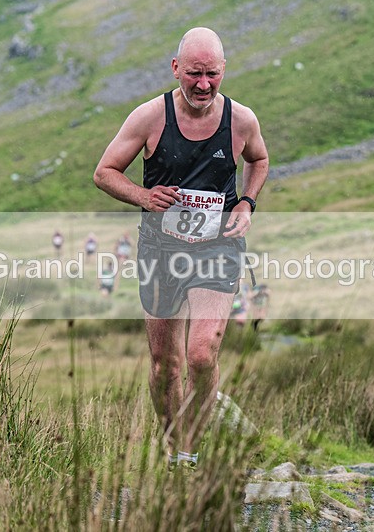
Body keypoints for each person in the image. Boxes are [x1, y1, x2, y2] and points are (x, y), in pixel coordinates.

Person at [93, 27, 269, 469]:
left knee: (202, 354)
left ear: (224, 70)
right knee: (165, 366)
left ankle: (189, 453)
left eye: (212, 74)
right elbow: (105, 172)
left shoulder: (241, 120)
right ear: (176, 69)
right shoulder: (149, 117)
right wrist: (143, 196)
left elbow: (260, 160)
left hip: (217, 248)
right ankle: (174, 447)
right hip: (160, 250)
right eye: (194, 74)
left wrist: (246, 203)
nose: (204, 85)